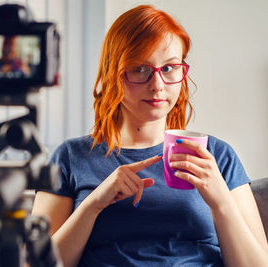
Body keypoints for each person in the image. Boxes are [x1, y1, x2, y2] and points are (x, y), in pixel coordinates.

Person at [31, 4, 268, 267]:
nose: (157, 85)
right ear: (114, 74)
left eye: (168, 68)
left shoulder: (218, 157)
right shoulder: (71, 157)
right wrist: (93, 205)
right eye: (139, 69)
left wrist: (221, 201)